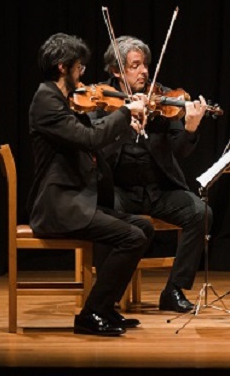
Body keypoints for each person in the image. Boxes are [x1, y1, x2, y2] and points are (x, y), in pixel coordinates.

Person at [27, 33, 154, 336]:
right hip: (59, 205)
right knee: (133, 237)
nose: (82, 74)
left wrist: (126, 125)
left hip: (76, 199)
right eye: (79, 68)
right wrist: (125, 111)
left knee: (143, 228)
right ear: (62, 67)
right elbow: (90, 138)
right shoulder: (46, 100)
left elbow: (94, 134)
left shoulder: (64, 99)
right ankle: (91, 313)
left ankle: (106, 307)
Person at [92, 36, 212, 314]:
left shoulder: (164, 98)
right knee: (104, 213)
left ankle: (174, 289)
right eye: (135, 65)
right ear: (115, 70)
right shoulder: (101, 98)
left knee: (200, 212)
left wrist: (191, 128)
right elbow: (93, 145)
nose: (144, 71)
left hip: (158, 190)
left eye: (145, 64)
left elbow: (180, 150)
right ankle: (107, 296)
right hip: (118, 190)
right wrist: (124, 120)